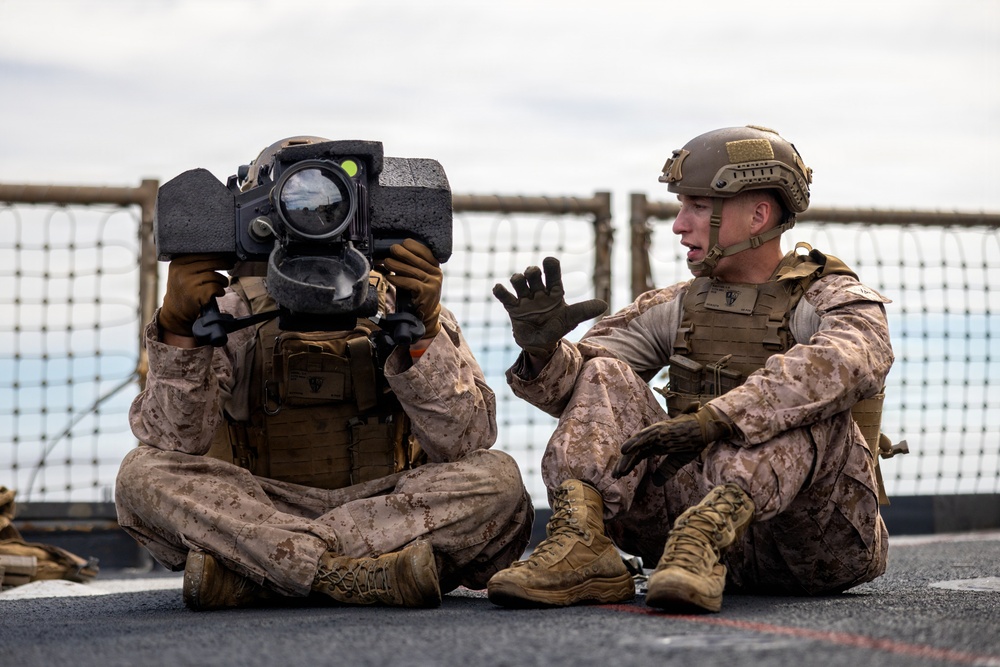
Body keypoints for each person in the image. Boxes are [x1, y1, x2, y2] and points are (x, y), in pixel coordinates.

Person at [487, 125, 894, 613]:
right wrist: (543, 351)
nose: (679, 225)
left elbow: (851, 359)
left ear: (758, 215)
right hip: (674, 542)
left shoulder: (833, 298)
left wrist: (716, 419)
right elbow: (580, 393)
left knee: (809, 403)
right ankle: (582, 543)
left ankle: (707, 532)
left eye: (697, 207)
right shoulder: (675, 306)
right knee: (605, 372)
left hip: (810, 546)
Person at [115, 137, 533, 610]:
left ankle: (262, 573)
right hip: (268, 507)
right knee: (141, 476)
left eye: (328, 203)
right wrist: (178, 328)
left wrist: (422, 334)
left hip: (381, 508)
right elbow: (176, 443)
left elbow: (465, 442)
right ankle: (355, 575)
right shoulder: (224, 315)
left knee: (497, 480)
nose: (313, 217)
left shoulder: (406, 305)